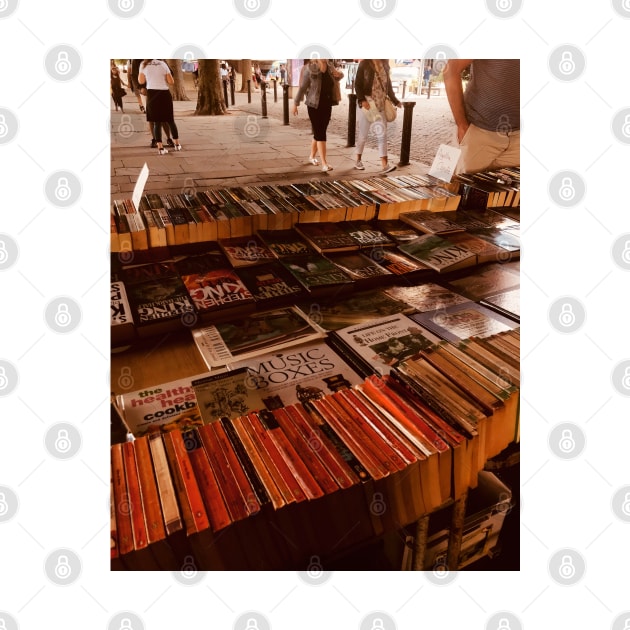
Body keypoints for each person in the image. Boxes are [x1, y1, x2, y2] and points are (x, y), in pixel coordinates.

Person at [443, 59, 520, 174]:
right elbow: (450, 70)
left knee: (509, 191)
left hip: (518, 138)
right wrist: (461, 124)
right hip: (477, 131)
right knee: (448, 186)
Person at [292, 59, 344, 173]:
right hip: (313, 105)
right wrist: (296, 103)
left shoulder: (330, 66)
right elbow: (303, 87)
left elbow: (337, 78)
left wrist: (339, 74)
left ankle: (311, 156)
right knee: (321, 134)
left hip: (327, 104)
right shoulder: (310, 68)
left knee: (319, 132)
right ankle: (324, 163)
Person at [353, 59, 401, 174]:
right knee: (363, 134)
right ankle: (358, 160)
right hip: (368, 104)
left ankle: (385, 165)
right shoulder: (364, 64)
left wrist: (395, 101)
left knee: (382, 135)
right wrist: (362, 100)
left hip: (381, 104)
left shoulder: (385, 64)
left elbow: (387, 86)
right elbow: (358, 84)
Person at [138, 59, 181, 155]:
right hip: (164, 93)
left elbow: (141, 81)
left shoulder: (143, 64)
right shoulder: (163, 64)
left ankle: (160, 148)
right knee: (170, 120)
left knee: (156, 122)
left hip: (152, 94)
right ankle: (177, 145)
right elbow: (171, 81)